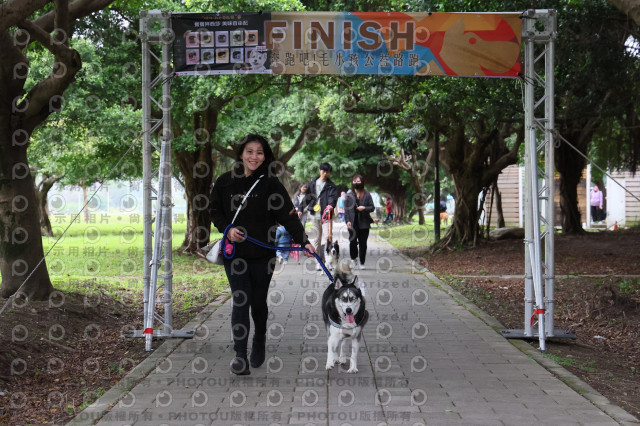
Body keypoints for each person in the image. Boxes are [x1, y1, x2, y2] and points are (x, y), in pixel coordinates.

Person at [210, 134, 315, 375]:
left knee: (258, 303)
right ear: (241, 153)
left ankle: (259, 337)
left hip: (263, 255)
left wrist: (305, 242)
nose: (254, 157)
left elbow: (288, 216)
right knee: (241, 300)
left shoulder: (271, 184)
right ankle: (240, 355)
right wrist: (227, 229)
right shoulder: (225, 182)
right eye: (249, 151)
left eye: (259, 152)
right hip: (235, 254)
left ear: (265, 156)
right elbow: (215, 210)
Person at [301, 163, 338, 270]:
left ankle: (328, 261)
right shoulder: (313, 183)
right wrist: (300, 209)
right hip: (314, 215)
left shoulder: (331, 185)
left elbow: (332, 198)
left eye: (327, 172)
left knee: (328, 238)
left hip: (326, 215)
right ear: (319, 170)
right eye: (323, 171)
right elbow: (307, 198)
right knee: (316, 240)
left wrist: (330, 206)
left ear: (329, 173)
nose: (325, 173)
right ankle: (318, 262)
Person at [344, 174, 375, 270]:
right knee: (352, 242)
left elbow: (372, 207)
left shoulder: (367, 194)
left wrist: (364, 208)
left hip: (364, 223)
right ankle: (353, 259)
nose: (356, 183)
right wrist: (347, 221)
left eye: (358, 181)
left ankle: (362, 262)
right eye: (354, 181)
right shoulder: (349, 195)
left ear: (362, 182)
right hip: (352, 223)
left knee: (363, 243)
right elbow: (346, 210)